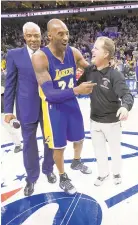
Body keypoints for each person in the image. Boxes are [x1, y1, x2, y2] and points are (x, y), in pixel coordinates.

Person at [31, 19, 95, 194]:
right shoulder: (40, 57)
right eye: (61, 34)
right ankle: (62, 176)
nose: (66, 37)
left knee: (80, 137)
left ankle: (76, 161)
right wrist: (76, 89)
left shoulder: (73, 52)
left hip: (71, 102)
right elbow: (50, 94)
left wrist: (102, 66)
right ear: (50, 36)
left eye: (67, 33)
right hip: (54, 108)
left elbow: (90, 69)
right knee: (59, 146)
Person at [4, 22, 56, 196]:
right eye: (30, 36)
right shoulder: (13, 55)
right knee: (29, 143)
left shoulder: (50, 53)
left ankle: (48, 169)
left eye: (37, 36)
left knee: (50, 140)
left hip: (49, 105)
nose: (34, 39)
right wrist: (8, 111)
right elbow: (10, 84)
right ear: (24, 37)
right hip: (26, 107)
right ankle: (31, 177)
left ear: (41, 36)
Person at [77, 36, 134, 186]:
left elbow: (127, 95)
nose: (92, 50)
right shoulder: (89, 70)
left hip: (112, 123)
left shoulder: (115, 75)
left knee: (115, 150)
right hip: (94, 121)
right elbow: (78, 85)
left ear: (106, 54)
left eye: (96, 48)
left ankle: (116, 173)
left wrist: (125, 107)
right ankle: (103, 174)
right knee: (99, 151)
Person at [1, 69, 22, 153]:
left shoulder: (2, 75)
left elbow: (4, 87)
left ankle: (17, 144)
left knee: (7, 126)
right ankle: (13, 121)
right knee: (6, 124)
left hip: (3, 106)